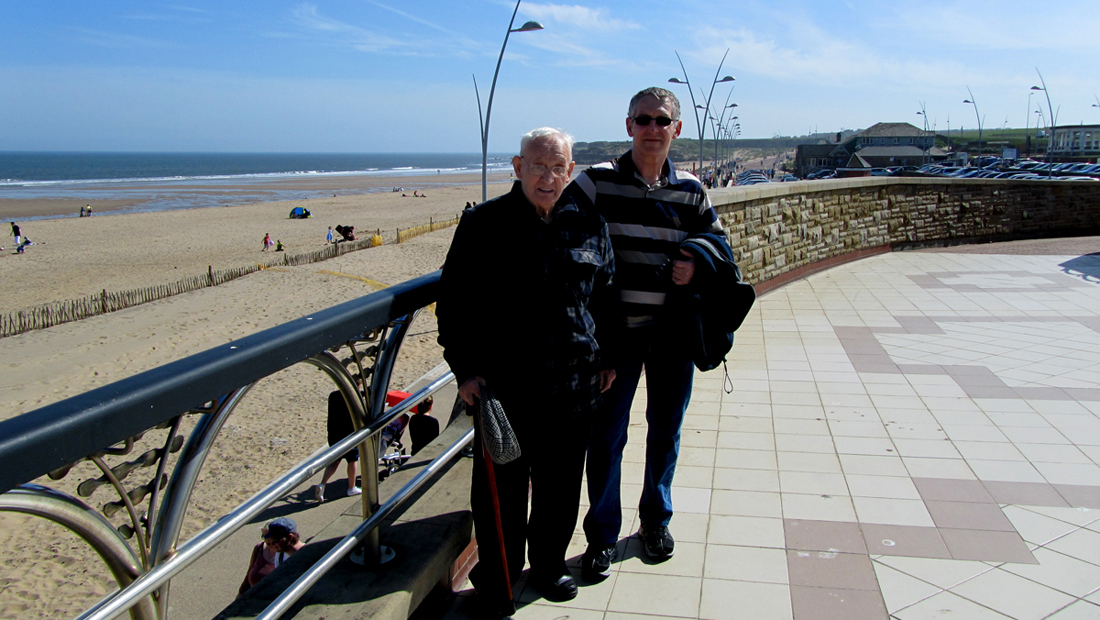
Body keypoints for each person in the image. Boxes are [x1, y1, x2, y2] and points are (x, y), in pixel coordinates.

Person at [436, 127, 615, 614]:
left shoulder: (591, 223)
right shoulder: (483, 225)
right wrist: (465, 370)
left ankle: (550, 566)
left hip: (574, 388)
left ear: (571, 171)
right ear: (517, 168)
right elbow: (453, 306)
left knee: (560, 491)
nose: (549, 177)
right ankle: (499, 578)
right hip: (505, 393)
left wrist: (611, 358)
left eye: (559, 168)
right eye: (539, 166)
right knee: (500, 499)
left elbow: (607, 299)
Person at [565, 87, 724, 580]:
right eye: (643, 120)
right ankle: (602, 537)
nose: (653, 129)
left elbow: (720, 243)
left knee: (665, 433)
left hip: (673, 338)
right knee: (606, 438)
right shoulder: (595, 184)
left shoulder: (693, 191)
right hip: (616, 342)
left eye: (662, 120)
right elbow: (553, 226)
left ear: (676, 129)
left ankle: (655, 521)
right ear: (629, 126)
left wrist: (696, 259)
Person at [312, 379, 365, 503]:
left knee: (335, 461)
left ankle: (322, 484)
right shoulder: (354, 398)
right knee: (352, 460)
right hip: (349, 434)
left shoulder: (334, 395)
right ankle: (351, 487)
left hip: (334, 434)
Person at [238, 517, 303, 595]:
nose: (271, 544)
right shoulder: (279, 555)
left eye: (275, 541)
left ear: (289, 538)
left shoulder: (307, 556)